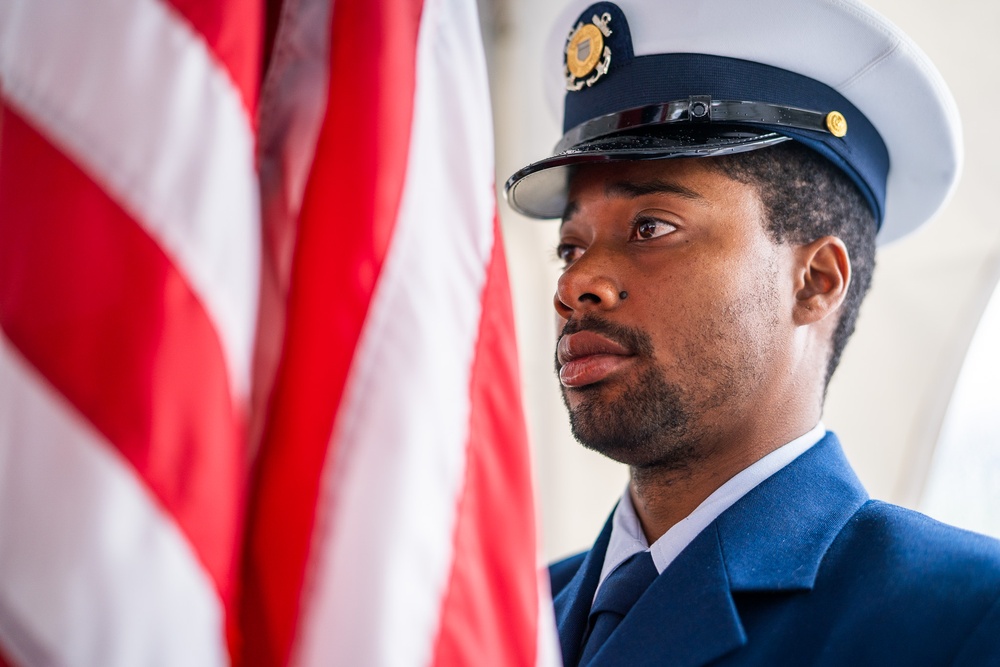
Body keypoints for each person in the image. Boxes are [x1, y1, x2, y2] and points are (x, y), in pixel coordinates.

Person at [504, 0, 1000, 665]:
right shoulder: (507, 614)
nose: (575, 286)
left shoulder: (960, 615)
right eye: (569, 248)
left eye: (650, 227)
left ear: (816, 280)